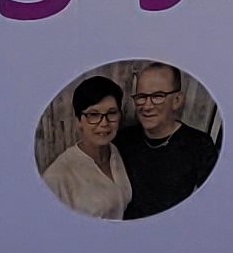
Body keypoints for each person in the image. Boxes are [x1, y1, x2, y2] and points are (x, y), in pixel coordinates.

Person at [114, 61, 220, 219]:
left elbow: (214, 205)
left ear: (176, 100)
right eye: (141, 97)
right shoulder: (123, 139)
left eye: (157, 96)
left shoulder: (199, 145)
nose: (147, 106)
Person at [43, 74, 132, 220]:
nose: (104, 123)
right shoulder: (58, 175)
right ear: (79, 121)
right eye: (93, 114)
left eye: (111, 113)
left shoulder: (116, 153)